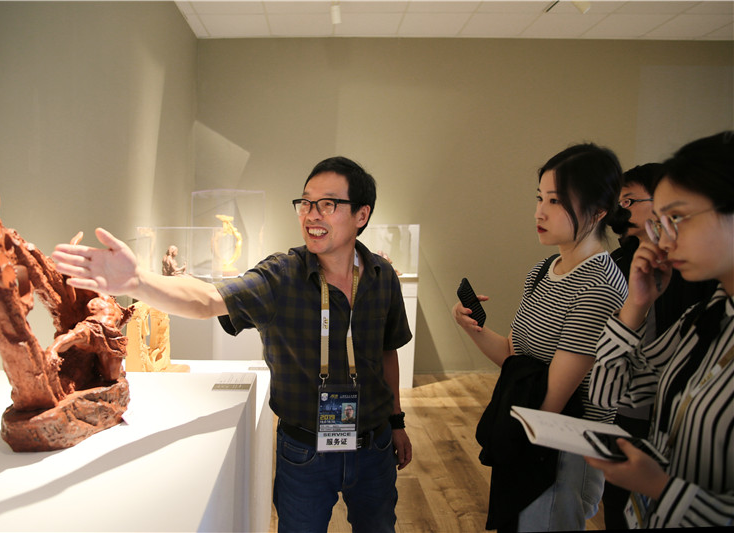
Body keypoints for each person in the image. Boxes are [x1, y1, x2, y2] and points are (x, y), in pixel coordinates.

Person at [52, 156, 413, 533]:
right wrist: (138, 282)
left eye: (327, 204)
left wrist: (397, 422)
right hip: (305, 451)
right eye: (305, 203)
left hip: (373, 446)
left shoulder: (382, 276)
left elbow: (387, 351)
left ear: (361, 214)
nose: (311, 215)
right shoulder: (282, 275)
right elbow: (209, 299)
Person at [454, 143, 628, 531]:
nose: (540, 212)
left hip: (559, 450)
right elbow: (514, 356)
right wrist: (471, 326)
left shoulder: (599, 286)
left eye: (556, 201)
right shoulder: (544, 269)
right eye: (539, 198)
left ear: (599, 210)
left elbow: (554, 400)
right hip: (527, 433)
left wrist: (511, 443)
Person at [586, 131, 734, 528]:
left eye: (678, 219)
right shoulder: (706, 318)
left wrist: (661, 487)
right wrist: (636, 306)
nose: (664, 241)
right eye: (661, 224)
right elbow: (608, 394)